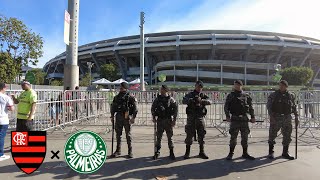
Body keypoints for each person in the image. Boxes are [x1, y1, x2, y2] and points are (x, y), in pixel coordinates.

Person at [267, 80, 299, 160]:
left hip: (287, 118)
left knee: (287, 135)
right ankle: (271, 152)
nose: (281, 87)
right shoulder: (273, 95)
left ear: (286, 87)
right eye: (280, 85)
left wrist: (296, 117)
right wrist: (271, 116)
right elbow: (269, 106)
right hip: (276, 117)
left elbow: (294, 107)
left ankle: (285, 152)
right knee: (272, 135)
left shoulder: (291, 95)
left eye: (283, 85)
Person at [224, 80, 256, 160]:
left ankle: (245, 153)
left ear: (241, 86)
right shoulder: (230, 95)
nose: (237, 86)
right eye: (235, 85)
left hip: (244, 119)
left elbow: (251, 107)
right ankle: (231, 153)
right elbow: (226, 106)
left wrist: (252, 116)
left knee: (245, 137)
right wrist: (227, 116)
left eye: (238, 85)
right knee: (233, 137)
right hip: (235, 118)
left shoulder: (246, 95)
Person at [182, 80, 211, 159]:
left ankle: (201, 152)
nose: (199, 88)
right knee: (189, 135)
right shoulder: (190, 94)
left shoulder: (202, 95)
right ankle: (187, 152)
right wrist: (191, 100)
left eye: (200, 87)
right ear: (195, 86)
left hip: (200, 117)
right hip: (191, 117)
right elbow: (183, 100)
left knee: (201, 134)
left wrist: (202, 101)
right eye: (198, 86)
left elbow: (210, 101)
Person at [110, 82, 138, 158]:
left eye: (122, 87)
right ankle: (118, 150)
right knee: (118, 135)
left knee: (128, 135)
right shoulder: (116, 97)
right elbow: (113, 107)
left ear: (125, 87)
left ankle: (130, 151)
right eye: (120, 87)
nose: (120, 88)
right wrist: (112, 116)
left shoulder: (130, 97)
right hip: (118, 116)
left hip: (127, 117)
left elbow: (135, 108)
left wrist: (133, 118)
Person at [151, 85, 178, 160]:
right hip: (160, 120)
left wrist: (174, 120)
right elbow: (153, 108)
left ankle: (171, 152)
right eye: (161, 89)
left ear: (166, 90)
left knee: (170, 137)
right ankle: (157, 152)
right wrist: (153, 117)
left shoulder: (171, 99)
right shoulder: (157, 99)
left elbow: (175, 109)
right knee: (158, 137)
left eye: (162, 89)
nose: (161, 90)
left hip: (168, 120)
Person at [0, 83, 14, 161]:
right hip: (3, 119)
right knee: (1, 137)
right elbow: (12, 108)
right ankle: (1, 154)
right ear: (3, 88)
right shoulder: (6, 97)